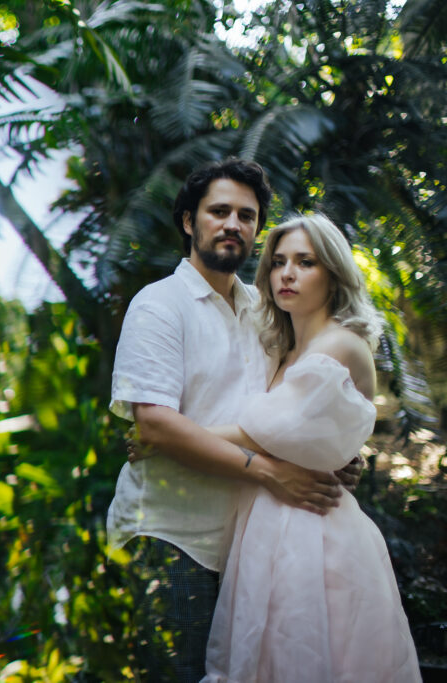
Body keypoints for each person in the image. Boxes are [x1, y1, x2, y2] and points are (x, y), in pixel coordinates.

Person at [107, 159, 354, 682]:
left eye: (247, 215)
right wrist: (269, 471)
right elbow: (155, 426)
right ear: (188, 221)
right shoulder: (159, 306)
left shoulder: (266, 314)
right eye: (218, 211)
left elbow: (291, 414)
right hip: (172, 539)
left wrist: (332, 456)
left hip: (252, 546)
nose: (232, 224)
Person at [198, 213, 420, 682]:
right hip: (268, 526)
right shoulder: (285, 350)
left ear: (333, 274)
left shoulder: (340, 345)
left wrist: (167, 436)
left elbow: (258, 432)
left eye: (305, 262)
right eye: (278, 262)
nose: (287, 274)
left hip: (315, 535)